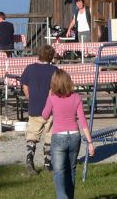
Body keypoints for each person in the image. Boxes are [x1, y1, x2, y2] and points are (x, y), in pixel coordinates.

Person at [42, 69, 95, 199]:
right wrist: (90, 143)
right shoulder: (76, 97)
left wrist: (49, 97)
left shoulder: (52, 98)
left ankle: (62, 197)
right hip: (74, 136)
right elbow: (83, 121)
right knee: (71, 170)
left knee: (59, 172)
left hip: (59, 136)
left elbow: (44, 116)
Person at [20, 45, 58, 175]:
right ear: (51, 57)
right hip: (51, 108)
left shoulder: (30, 68)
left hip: (34, 107)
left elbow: (24, 85)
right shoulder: (54, 70)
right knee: (50, 135)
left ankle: (29, 159)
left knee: (32, 135)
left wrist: (30, 96)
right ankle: (48, 163)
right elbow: (55, 89)